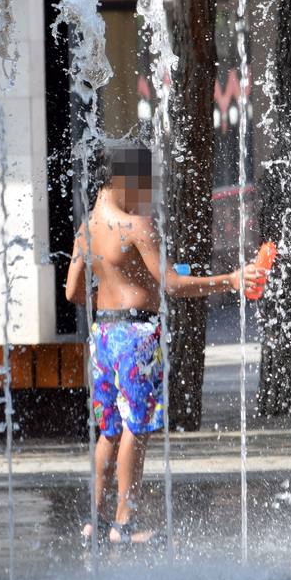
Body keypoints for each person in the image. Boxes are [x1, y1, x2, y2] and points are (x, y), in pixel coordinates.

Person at [65, 144, 262, 544]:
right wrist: (230, 279)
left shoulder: (86, 229)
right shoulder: (137, 226)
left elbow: (72, 292)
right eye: (145, 182)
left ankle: (96, 520)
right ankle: (124, 524)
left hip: (103, 336)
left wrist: (116, 292)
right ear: (123, 180)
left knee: (110, 429)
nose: (148, 192)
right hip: (136, 337)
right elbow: (171, 284)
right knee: (136, 429)